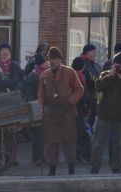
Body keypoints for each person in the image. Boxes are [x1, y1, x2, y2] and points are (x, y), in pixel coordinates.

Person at [38, 46, 83, 176]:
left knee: (69, 141)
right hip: (51, 112)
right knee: (51, 142)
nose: (52, 61)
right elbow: (41, 93)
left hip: (67, 111)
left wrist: (71, 101)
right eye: (50, 59)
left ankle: (71, 168)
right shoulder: (44, 75)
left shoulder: (70, 72)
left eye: (55, 59)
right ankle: (52, 169)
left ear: (60, 60)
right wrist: (41, 108)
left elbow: (79, 89)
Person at [91, 52, 121, 174]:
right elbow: (99, 87)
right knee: (98, 144)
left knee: (118, 145)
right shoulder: (105, 74)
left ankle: (116, 167)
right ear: (112, 65)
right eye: (116, 65)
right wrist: (110, 76)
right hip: (104, 115)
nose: (118, 68)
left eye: (120, 66)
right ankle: (95, 166)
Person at [24, 58, 48, 165]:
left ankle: (36, 157)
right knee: (38, 134)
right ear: (40, 64)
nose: (48, 64)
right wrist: (37, 108)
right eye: (45, 62)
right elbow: (30, 96)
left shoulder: (43, 74)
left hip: (42, 107)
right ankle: (39, 157)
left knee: (40, 134)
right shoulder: (33, 77)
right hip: (36, 109)